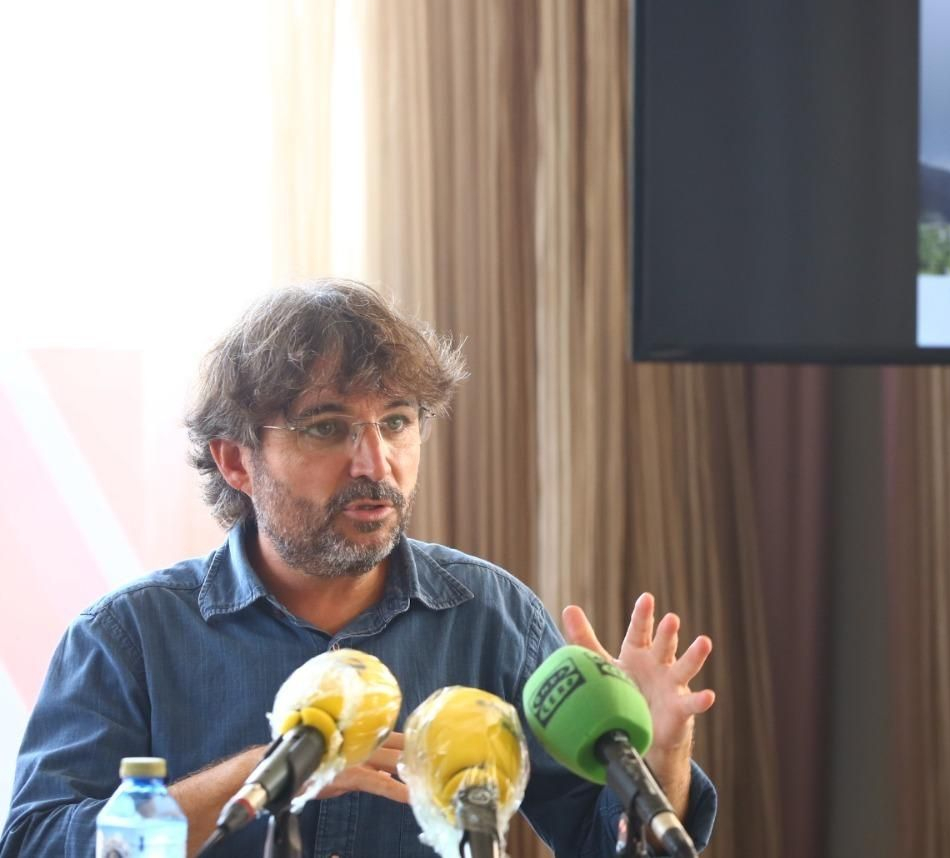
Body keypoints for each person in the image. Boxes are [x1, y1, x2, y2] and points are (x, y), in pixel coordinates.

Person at [0, 280, 717, 857]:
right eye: (327, 426)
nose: (376, 465)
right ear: (234, 459)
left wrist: (657, 761)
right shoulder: (128, 639)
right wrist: (274, 768)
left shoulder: (492, 617)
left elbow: (602, 844)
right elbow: (38, 843)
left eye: (398, 422)